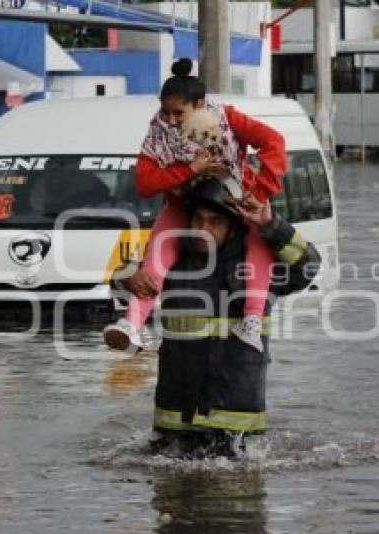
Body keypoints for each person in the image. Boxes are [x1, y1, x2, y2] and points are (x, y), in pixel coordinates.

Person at [120, 176, 320, 456]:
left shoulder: (256, 271)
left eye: (215, 222)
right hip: (176, 414)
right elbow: (126, 293)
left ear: (233, 226)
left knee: (235, 493)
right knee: (168, 492)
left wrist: (272, 225)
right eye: (198, 220)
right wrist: (124, 276)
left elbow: (308, 268)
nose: (203, 229)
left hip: (236, 416)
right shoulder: (172, 260)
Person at [103, 58, 287, 354]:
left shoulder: (229, 119)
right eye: (165, 112)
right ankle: (131, 324)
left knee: (260, 241)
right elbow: (144, 183)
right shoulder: (157, 131)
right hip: (184, 200)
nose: (171, 121)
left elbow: (274, 142)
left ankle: (252, 318)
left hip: (235, 198)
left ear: (200, 104)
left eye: (179, 113)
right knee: (157, 252)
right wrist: (190, 169)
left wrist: (261, 190)